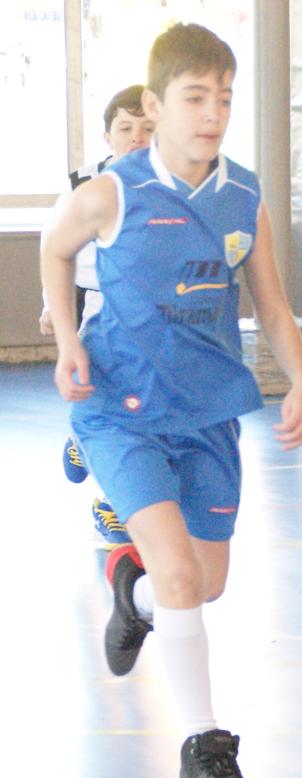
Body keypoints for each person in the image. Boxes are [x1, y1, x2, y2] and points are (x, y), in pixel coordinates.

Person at [42, 23, 302, 778]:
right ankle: (203, 752)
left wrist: (298, 377)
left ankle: (132, 595)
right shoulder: (111, 194)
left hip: (209, 413)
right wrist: (66, 341)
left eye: (225, 99)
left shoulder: (243, 196)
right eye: (196, 98)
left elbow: (271, 301)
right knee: (182, 571)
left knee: (205, 583)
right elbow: (53, 252)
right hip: (118, 410)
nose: (213, 114)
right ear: (156, 106)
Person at [40, 84, 156, 547]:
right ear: (109, 136)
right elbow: (53, 246)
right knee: (114, 408)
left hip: (156, 318)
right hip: (100, 314)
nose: (137, 137)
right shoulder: (82, 185)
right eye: (126, 129)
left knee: (145, 410)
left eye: (147, 128)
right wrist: (51, 303)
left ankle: (90, 458)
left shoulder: (176, 184)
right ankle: (109, 496)